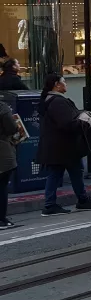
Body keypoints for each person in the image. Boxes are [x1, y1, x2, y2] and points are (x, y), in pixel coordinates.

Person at [37, 74, 91, 216]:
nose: (66, 84)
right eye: (64, 81)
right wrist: (86, 122)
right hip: (63, 146)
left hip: (59, 146)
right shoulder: (57, 102)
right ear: (56, 84)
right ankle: (53, 205)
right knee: (65, 173)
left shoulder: (51, 100)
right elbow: (67, 123)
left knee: (69, 172)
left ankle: (79, 200)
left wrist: (81, 114)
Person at [1, 98, 20, 228]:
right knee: (1, 186)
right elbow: (12, 128)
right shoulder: (2, 107)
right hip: (2, 149)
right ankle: (1, 218)